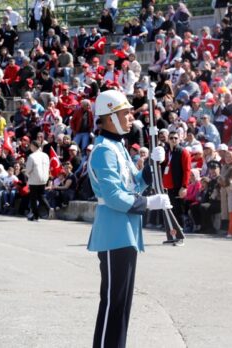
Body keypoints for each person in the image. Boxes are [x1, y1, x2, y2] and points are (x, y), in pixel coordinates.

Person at [87, 89, 169, 348]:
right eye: (125, 113)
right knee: (113, 303)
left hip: (125, 232)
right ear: (109, 116)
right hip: (113, 232)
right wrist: (148, 204)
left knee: (122, 305)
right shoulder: (103, 150)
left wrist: (154, 166)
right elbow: (113, 196)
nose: (130, 118)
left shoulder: (116, 147)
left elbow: (134, 183)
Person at [25, 140, 50, 221]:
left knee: (33, 198)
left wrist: (27, 174)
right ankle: (48, 208)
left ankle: (36, 215)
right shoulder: (45, 155)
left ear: (34, 146)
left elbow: (28, 169)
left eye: (31, 146)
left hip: (34, 178)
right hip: (44, 178)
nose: (30, 147)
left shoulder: (32, 156)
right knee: (41, 195)